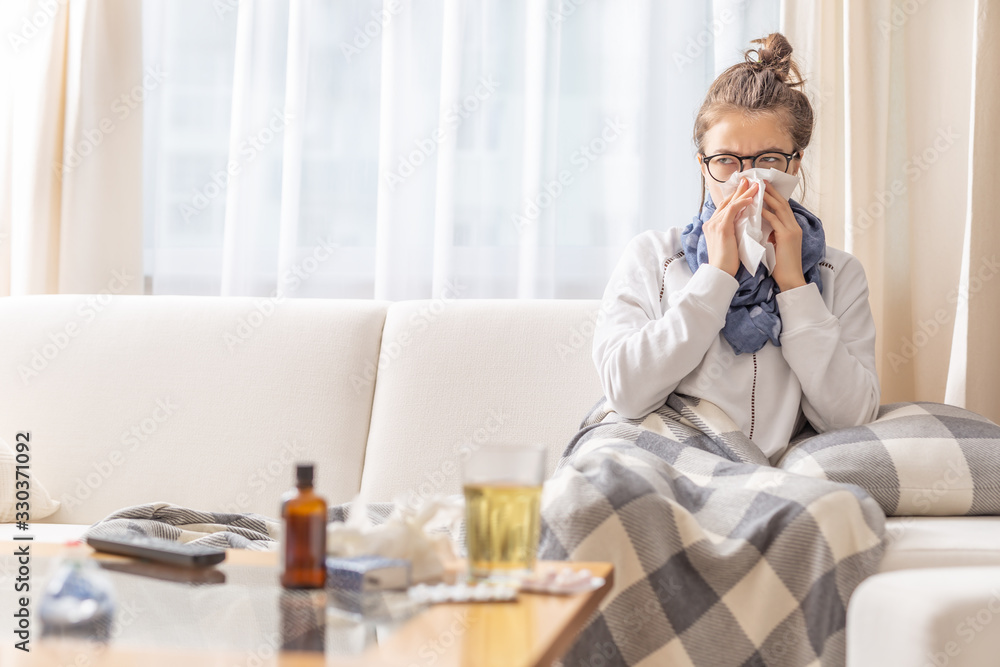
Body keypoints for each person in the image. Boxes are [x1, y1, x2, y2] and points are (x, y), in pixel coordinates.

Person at [592, 32, 879, 461]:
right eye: (726, 160)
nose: (748, 180)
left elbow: (852, 418)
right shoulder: (653, 257)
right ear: (703, 165)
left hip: (773, 479)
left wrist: (795, 286)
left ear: (795, 163)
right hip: (666, 462)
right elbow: (627, 394)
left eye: (768, 160)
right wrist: (715, 279)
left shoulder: (838, 275)